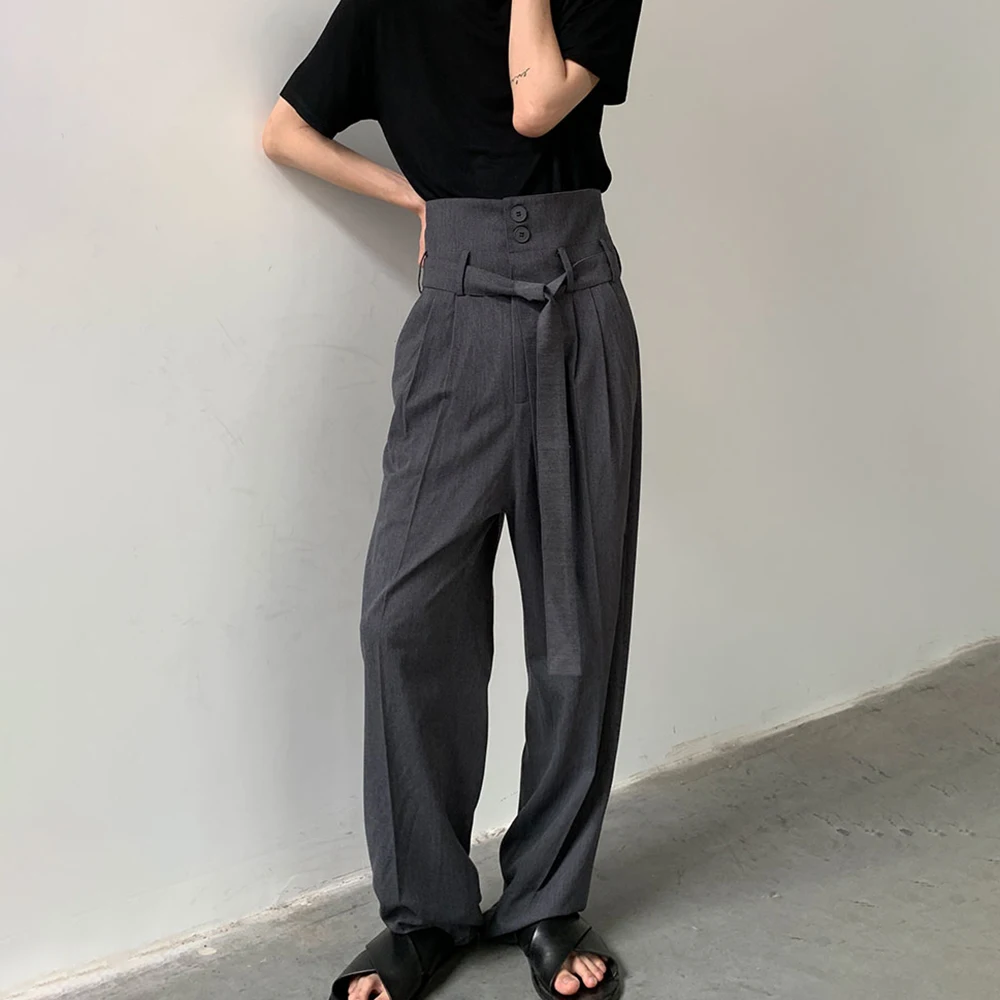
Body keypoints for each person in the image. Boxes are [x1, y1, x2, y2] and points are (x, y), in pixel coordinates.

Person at [262, 1, 643, 997]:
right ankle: (424, 910)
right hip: (457, 313)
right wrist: (407, 195)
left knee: (576, 625)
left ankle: (547, 900)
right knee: (402, 617)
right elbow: (284, 130)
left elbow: (535, 107)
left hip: (577, 300)